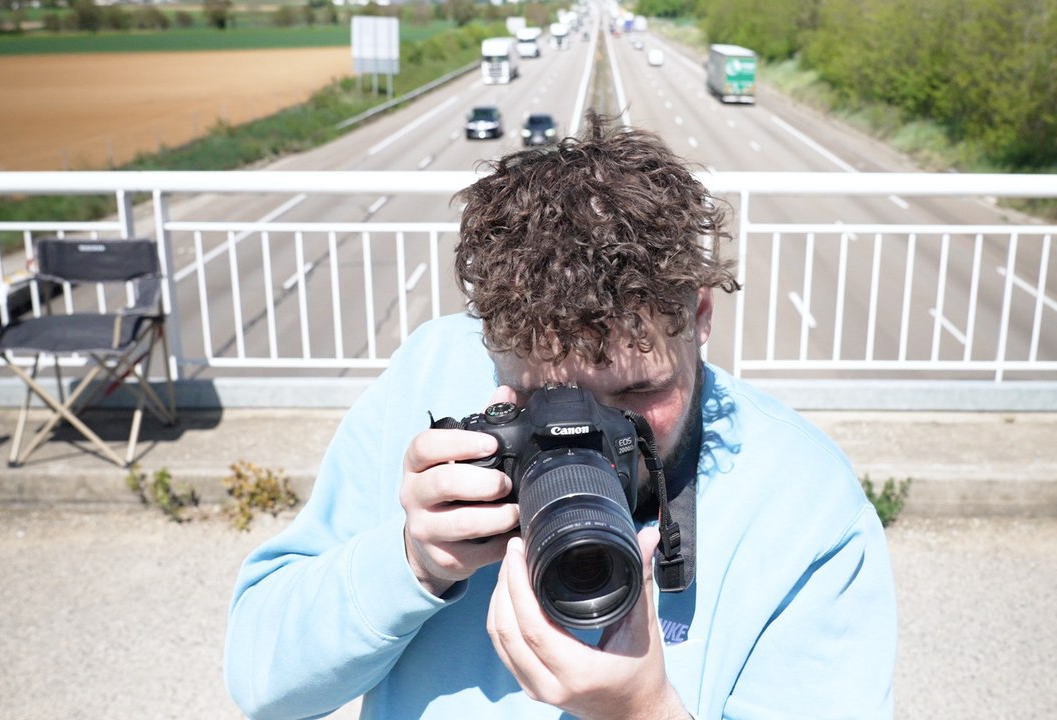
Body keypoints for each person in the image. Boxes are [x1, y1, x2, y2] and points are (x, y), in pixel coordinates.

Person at [224, 113, 896, 720]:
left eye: (637, 394)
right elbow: (262, 683)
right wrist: (411, 562)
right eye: (543, 402)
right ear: (489, 347)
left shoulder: (804, 506)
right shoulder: (428, 377)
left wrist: (642, 712)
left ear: (699, 318)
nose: (596, 440)